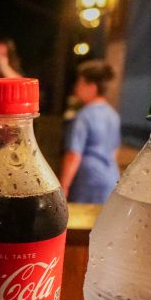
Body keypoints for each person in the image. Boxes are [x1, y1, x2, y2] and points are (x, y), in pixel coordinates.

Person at [59, 60, 121, 204]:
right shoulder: (113, 114)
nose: (76, 88)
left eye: (80, 83)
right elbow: (114, 151)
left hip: (89, 181)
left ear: (92, 87)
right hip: (111, 179)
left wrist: (64, 186)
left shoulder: (83, 116)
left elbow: (73, 155)